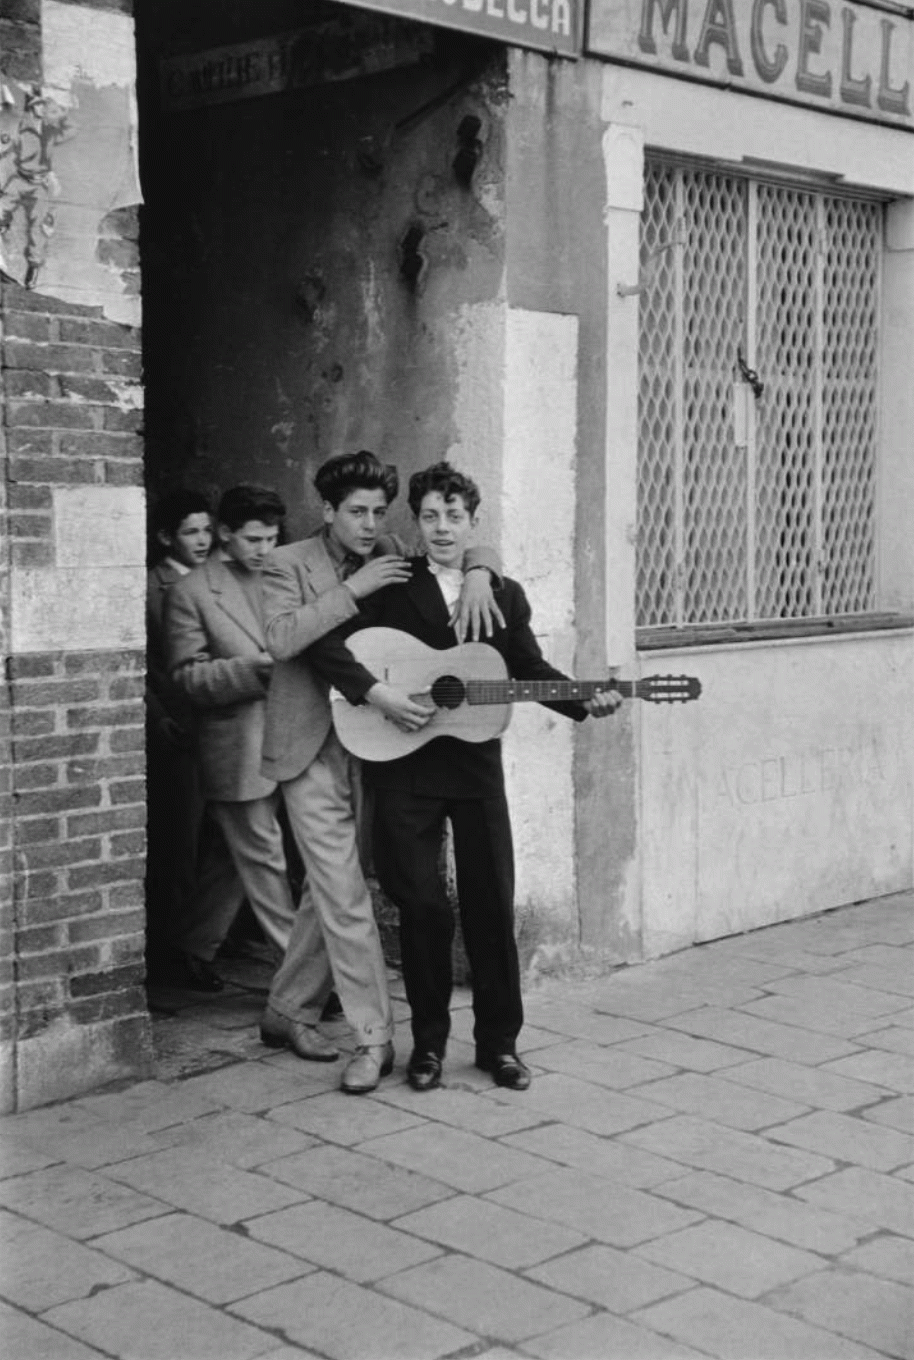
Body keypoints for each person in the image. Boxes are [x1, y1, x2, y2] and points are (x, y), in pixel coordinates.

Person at [306, 461, 621, 1093]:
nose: (443, 527)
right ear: (415, 525)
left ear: (473, 523)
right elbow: (329, 644)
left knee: (489, 907)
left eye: (455, 516)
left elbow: (527, 665)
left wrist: (584, 700)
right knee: (422, 907)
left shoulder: (502, 594)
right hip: (405, 765)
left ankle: (499, 1046)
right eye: (430, 516)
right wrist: (377, 695)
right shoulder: (392, 583)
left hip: (475, 769)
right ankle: (427, 1047)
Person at [259, 450, 503, 1095]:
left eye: (377, 512)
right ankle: (374, 1040)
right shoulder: (286, 564)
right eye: (356, 513)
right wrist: (353, 591)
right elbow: (283, 640)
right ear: (328, 512)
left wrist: (481, 573)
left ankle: (286, 1010)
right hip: (309, 743)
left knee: (333, 884)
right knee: (344, 894)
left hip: (374, 745)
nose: (370, 525)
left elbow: (457, 543)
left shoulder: (391, 547)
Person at [164, 484, 299, 988]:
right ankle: (300, 976)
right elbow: (185, 678)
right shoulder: (190, 593)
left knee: (229, 857)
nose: (265, 550)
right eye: (253, 540)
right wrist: (252, 671)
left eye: (271, 538)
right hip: (236, 748)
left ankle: (189, 944)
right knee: (265, 858)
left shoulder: (282, 575)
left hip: (290, 739)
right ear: (225, 534)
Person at [145, 489, 219, 989]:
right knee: (182, 839)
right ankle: (176, 952)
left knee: (225, 835)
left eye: (207, 530)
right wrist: (155, 717)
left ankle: (212, 939)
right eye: (191, 532)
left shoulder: (220, 577)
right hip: (180, 723)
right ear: (167, 536)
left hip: (226, 721)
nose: (202, 540)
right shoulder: (154, 586)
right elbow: (141, 662)